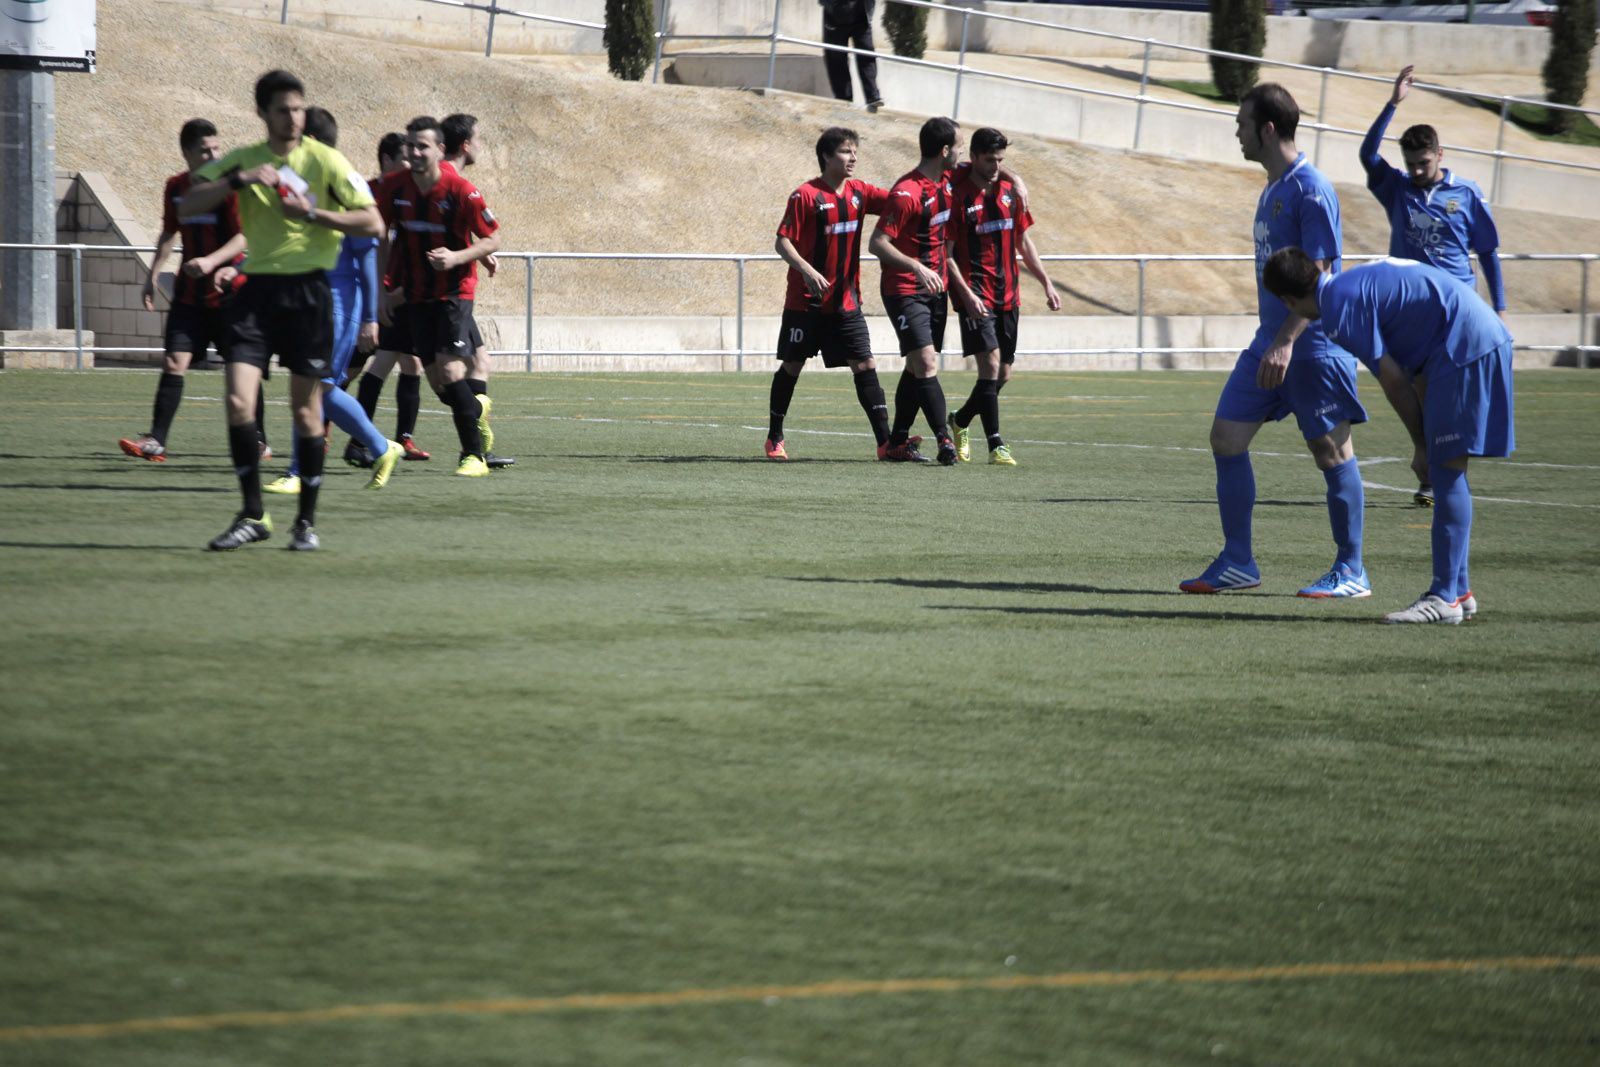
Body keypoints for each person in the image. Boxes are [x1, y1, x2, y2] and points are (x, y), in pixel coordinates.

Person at [1179, 83, 1371, 599]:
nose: (1236, 133)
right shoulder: (1273, 188)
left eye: (1242, 123)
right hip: (1269, 342)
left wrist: (1286, 341)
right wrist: (1273, 341)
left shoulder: (1311, 189)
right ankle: (1239, 560)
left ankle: (1351, 570)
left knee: (1331, 451)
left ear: (1266, 128)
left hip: (1312, 345)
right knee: (1226, 438)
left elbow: (1321, 270)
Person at [182, 69, 383, 551]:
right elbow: (189, 204)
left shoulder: (327, 160)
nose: (293, 118)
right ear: (262, 114)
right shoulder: (245, 160)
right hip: (255, 295)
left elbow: (373, 222)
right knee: (237, 402)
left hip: (308, 296)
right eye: (282, 110)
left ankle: (305, 525)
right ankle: (253, 515)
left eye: (298, 108)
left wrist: (312, 213)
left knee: (305, 410)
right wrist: (239, 179)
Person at [1264, 249, 1513, 624]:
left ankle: (1444, 597)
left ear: (1288, 301)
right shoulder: (1349, 284)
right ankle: (1459, 591)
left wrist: (1421, 444)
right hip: (1475, 335)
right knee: (1448, 470)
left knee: (1445, 470)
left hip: (1464, 344)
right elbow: (1414, 362)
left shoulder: (1338, 308)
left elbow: (1393, 380)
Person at [1361, 64, 1507, 509]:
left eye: (1424, 163)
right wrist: (1392, 104)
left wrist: (1499, 307)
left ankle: (1435, 468)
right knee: (1418, 388)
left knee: (1447, 393)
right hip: (1411, 309)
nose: (1418, 171)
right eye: (1411, 165)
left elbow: (1487, 250)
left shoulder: (1466, 194)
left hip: (1459, 310)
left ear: (1440, 153)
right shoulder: (1399, 190)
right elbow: (1368, 156)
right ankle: (1430, 463)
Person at [263, 107, 403, 496]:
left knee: (314, 383)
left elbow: (366, 254)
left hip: (339, 301)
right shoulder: (293, 181)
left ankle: (298, 469)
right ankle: (379, 447)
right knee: (314, 384)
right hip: (306, 297)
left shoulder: (346, 184)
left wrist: (371, 316)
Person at [118, 119, 255, 463]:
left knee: (241, 370)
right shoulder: (176, 187)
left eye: (216, 148)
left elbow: (243, 237)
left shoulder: (228, 188)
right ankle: (157, 441)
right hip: (190, 297)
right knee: (173, 361)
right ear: (187, 153)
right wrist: (152, 275)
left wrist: (211, 262)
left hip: (230, 294)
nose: (213, 155)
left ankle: (258, 440)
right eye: (205, 150)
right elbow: (168, 233)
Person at [373, 115, 501, 477]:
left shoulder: (462, 191)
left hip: (453, 292)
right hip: (414, 296)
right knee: (440, 384)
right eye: (411, 145)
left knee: (450, 369)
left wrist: (456, 257)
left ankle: (473, 456)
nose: (414, 152)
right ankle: (475, 411)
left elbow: (492, 238)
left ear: (439, 150)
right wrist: (384, 288)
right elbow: (382, 234)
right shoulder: (394, 187)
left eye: (422, 146)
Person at [763, 128, 893, 460]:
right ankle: (775, 437)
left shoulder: (860, 193)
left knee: (864, 363)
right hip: (805, 304)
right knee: (792, 365)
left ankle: (886, 443)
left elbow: (899, 201)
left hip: (846, 303)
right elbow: (782, 241)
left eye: (854, 152)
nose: (854, 158)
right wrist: (807, 271)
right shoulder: (805, 195)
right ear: (826, 156)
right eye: (846, 152)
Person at [868, 116, 986, 466]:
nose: (963, 154)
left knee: (916, 369)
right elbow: (877, 243)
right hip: (904, 289)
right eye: (959, 147)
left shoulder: (950, 178)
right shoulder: (907, 193)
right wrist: (916, 266)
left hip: (936, 291)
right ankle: (944, 439)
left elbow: (989, 168)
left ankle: (898, 442)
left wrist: (1017, 181)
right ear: (945, 150)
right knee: (926, 362)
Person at [946, 127, 1060, 467]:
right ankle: (996, 444)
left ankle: (962, 419)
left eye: (1001, 161)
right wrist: (965, 294)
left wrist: (1046, 282)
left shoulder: (1010, 192)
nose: (996, 166)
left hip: (1008, 294)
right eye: (990, 159)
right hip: (976, 293)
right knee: (990, 365)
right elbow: (946, 253)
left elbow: (1024, 242)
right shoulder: (958, 194)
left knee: (1003, 375)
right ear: (974, 158)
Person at [348, 131, 432, 466]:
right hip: (368, 294)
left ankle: (402, 439)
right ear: (386, 160)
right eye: (404, 158)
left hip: (399, 293)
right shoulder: (365, 193)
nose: (411, 163)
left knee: (407, 362)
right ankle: (342, 433)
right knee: (354, 367)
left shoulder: (409, 192)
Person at [440, 111, 513, 469]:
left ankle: (477, 442)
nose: (481, 145)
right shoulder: (455, 185)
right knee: (449, 377)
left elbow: (454, 231)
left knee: (479, 363)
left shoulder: (440, 182)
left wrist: (478, 256)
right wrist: (473, 254)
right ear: (466, 144)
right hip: (449, 291)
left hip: (451, 288)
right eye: (478, 139)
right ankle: (474, 442)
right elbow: (487, 236)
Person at [820, 0, 882, 112]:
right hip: (835, 14)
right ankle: (844, 100)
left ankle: (872, 97)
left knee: (866, 55)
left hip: (861, 14)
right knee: (836, 59)